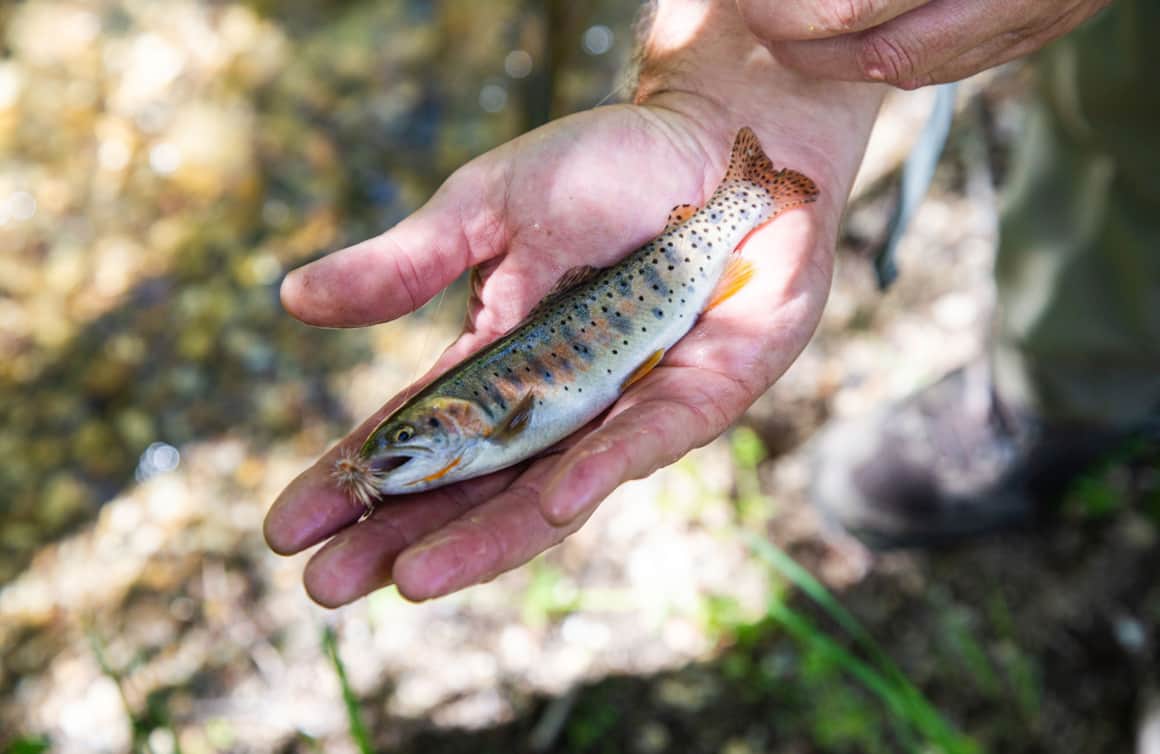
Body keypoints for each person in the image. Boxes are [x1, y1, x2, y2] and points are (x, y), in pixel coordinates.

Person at [264, 0, 1152, 607]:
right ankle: (1068, 387)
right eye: (404, 451)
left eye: (408, 444)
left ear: (460, 422)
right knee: (1122, 119)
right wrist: (733, 81)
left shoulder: (488, 428)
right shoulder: (474, 431)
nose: (396, 458)